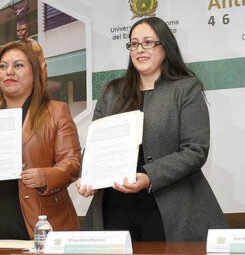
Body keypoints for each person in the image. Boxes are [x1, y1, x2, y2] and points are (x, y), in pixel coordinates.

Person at [77, 17, 228, 241]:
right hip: (113, 209)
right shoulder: (111, 91)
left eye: (148, 42)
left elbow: (195, 150)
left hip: (168, 210)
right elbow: (94, 145)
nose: (140, 49)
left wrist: (149, 176)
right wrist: (87, 176)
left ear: (165, 47)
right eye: (134, 43)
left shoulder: (186, 88)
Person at [0, 41, 81, 239]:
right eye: (3, 66)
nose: (9, 72)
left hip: (41, 223)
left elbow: (72, 164)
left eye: (18, 65)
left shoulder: (55, 111)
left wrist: (45, 176)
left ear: (35, 74)